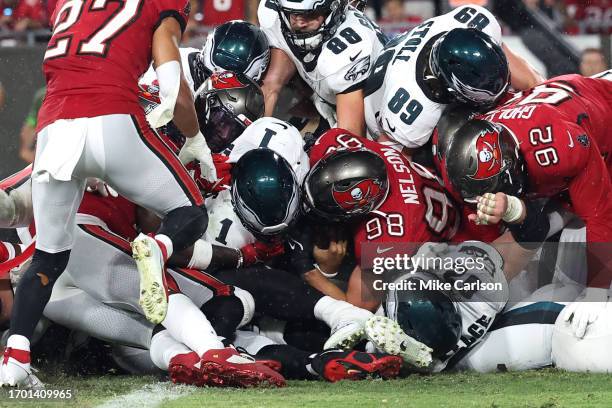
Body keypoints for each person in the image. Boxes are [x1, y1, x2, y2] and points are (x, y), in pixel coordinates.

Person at [0, 0, 218, 387]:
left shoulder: (67, 4)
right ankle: (159, 248)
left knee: (49, 257)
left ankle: (15, 360)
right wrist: (194, 136)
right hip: (113, 114)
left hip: (55, 125)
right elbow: (172, 83)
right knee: (191, 211)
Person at [442, 72, 612, 344]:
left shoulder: (559, 149)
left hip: (600, 112)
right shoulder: (468, 153)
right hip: (566, 106)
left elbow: (602, 212)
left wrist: (596, 291)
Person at [364, 5, 543, 155]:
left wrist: (547, 100)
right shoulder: (412, 113)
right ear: (451, 89)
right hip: (382, 128)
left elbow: (535, 84)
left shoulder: (474, 20)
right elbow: (396, 169)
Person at [258, 0, 387, 135]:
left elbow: (350, 135)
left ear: (334, 8)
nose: (299, 23)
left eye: (310, 14)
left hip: (379, 129)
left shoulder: (348, 49)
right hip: (327, 102)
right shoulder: (274, 16)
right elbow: (271, 85)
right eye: (294, 14)